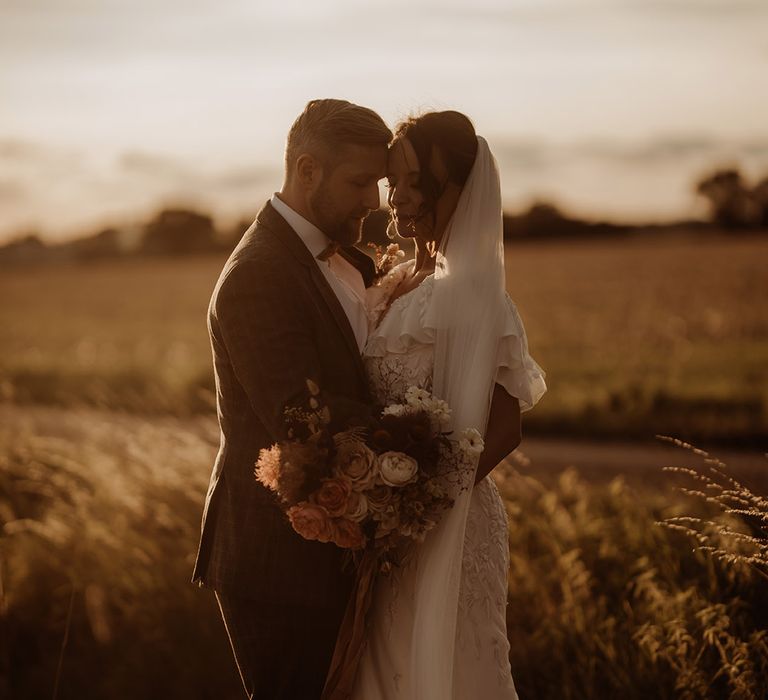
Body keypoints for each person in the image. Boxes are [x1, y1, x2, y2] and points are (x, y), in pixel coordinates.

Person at [191, 98, 392, 699]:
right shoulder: (258, 272)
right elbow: (302, 418)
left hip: (339, 543)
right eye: (360, 182)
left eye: (379, 184)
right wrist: (422, 430)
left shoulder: (347, 259)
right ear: (308, 171)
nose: (374, 202)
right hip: (276, 558)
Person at [354, 111, 547, 699]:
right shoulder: (391, 285)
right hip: (384, 525)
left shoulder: (476, 296)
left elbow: (506, 426)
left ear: (459, 188)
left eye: (416, 182)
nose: (400, 197)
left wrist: (422, 505)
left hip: (449, 521)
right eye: (394, 182)